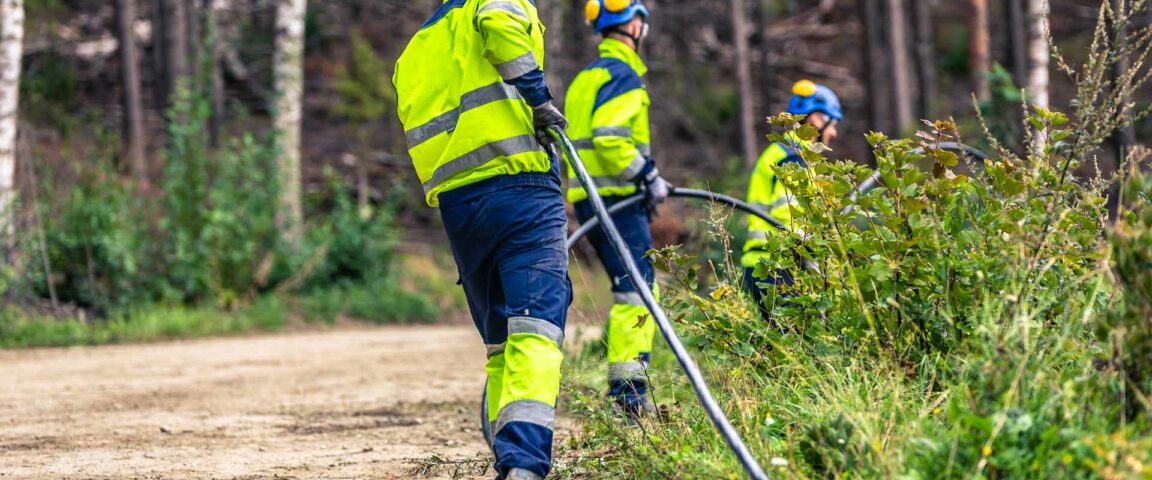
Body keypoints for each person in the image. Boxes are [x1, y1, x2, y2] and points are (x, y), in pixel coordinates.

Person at [393, 1, 570, 478]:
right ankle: (525, 463)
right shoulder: (488, 7)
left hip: (460, 207)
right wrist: (538, 98)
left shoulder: (418, 47)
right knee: (537, 327)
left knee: (500, 343)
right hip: (522, 189)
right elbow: (499, 22)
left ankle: (507, 456)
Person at [565, 0, 668, 417]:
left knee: (631, 290)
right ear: (635, 25)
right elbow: (609, 140)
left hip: (587, 199)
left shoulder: (584, 79)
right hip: (617, 200)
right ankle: (629, 395)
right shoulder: (623, 75)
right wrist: (647, 174)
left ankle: (628, 392)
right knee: (638, 294)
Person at [741, 80, 842, 323]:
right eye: (833, 123)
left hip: (763, 264)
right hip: (777, 266)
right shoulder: (794, 158)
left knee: (777, 345)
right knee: (794, 343)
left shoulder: (782, 151)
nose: (834, 132)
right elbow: (789, 215)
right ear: (817, 119)